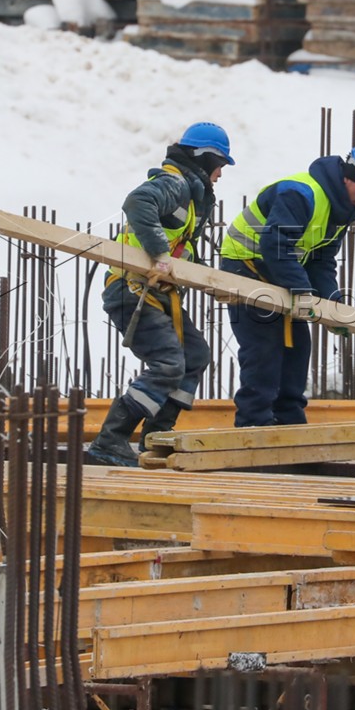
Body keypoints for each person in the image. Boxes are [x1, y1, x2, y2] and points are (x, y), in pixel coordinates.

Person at [85, 122, 234, 467]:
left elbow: (180, 252)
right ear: (206, 158)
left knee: (194, 356)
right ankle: (110, 441)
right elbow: (137, 203)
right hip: (130, 289)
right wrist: (160, 256)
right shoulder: (175, 184)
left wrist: (212, 282)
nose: (220, 175)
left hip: (156, 293)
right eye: (220, 165)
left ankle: (155, 439)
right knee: (168, 363)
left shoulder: (190, 197)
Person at [219, 142, 355, 427]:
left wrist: (331, 303)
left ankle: (289, 422)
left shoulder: (342, 211)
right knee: (264, 346)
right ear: (349, 177)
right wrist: (302, 292)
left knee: (297, 346)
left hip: (281, 273)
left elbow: (321, 261)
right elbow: (275, 245)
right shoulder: (301, 194)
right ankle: (254, 424)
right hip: (245, 266)